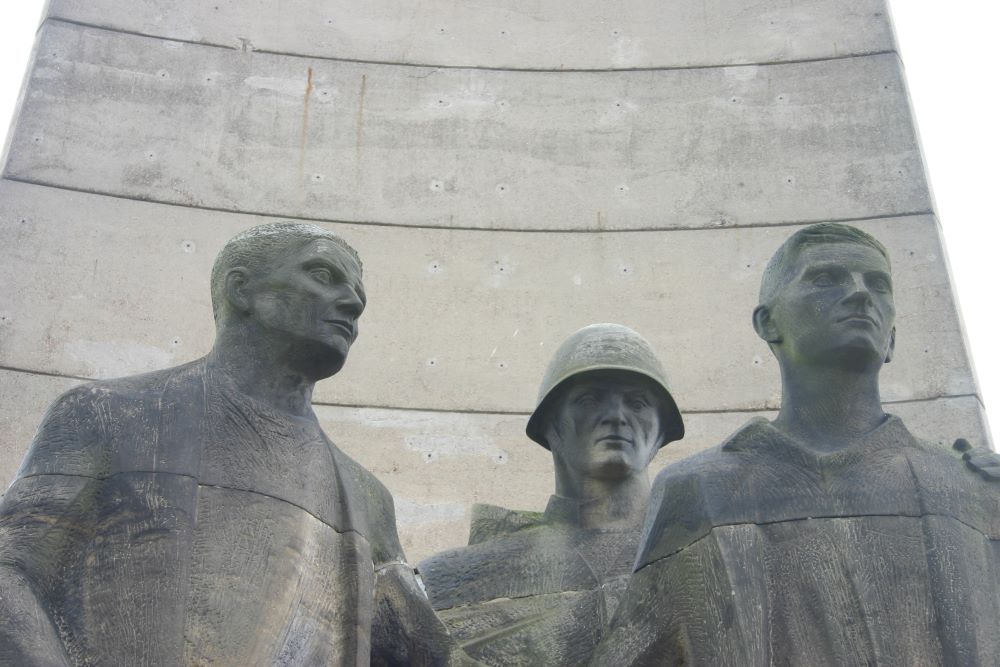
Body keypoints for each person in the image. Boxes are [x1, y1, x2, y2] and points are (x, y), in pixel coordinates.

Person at [0, 222, 473, 666]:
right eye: (323, 274)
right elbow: (10, 575)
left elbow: (417, 651)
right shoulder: (109, 413)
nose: (351, 303)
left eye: (358, 295)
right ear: (240, 288)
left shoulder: (368, 497)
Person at [591, 223, 1000, 666]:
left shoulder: (969, 487)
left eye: (878, 284)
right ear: (768, 323)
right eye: (827, 279)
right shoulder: (699, 490)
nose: (861, 294)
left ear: (893, 340)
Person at [418, 323, 684, 666]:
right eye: (589, 399)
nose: (616, 417)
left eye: (637, 403)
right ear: (550, 426)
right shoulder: (448, 579)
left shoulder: (695, 552)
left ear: (662, 434)